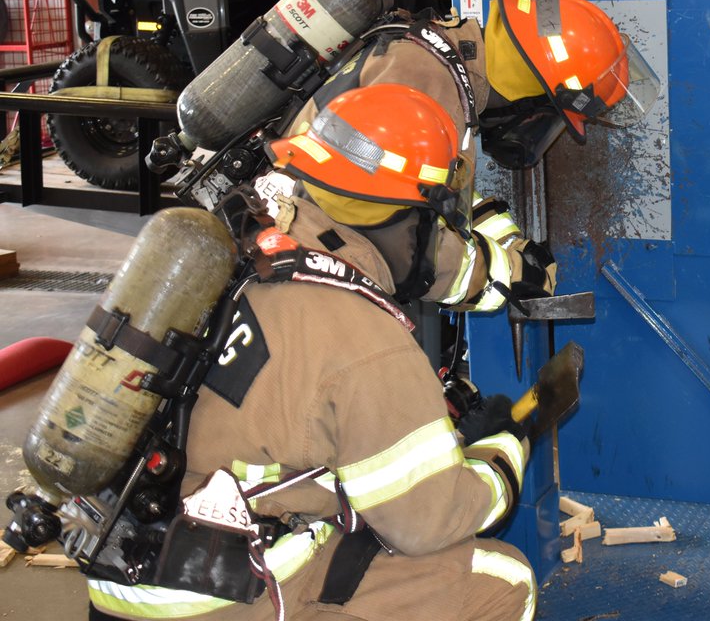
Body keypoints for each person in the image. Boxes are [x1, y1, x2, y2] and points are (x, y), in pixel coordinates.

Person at [88, 84, 535, 621]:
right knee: (501, 580)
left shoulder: (237, 248)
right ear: (409, 219)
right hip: (222, 597)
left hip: (119, 573)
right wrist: (501, 453)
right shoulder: (363, 335)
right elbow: (426, 522)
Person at [282, 0, 662, 313]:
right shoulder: (429, 82)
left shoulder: (437, 53)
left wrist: (505, 236)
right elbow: (401, 252)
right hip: (307, 274)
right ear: (532, 97)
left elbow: (415, 182)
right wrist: (510, 274)